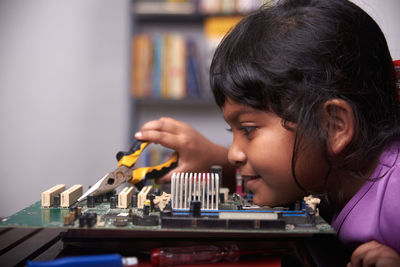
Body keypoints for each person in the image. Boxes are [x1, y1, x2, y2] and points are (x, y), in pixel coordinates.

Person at [135, 0, 400, 265]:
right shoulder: (329, 172)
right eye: (233, 131)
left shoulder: (395, 195)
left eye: (248, 130)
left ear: (333, 126)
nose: (233, 153)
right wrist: (215, 162)